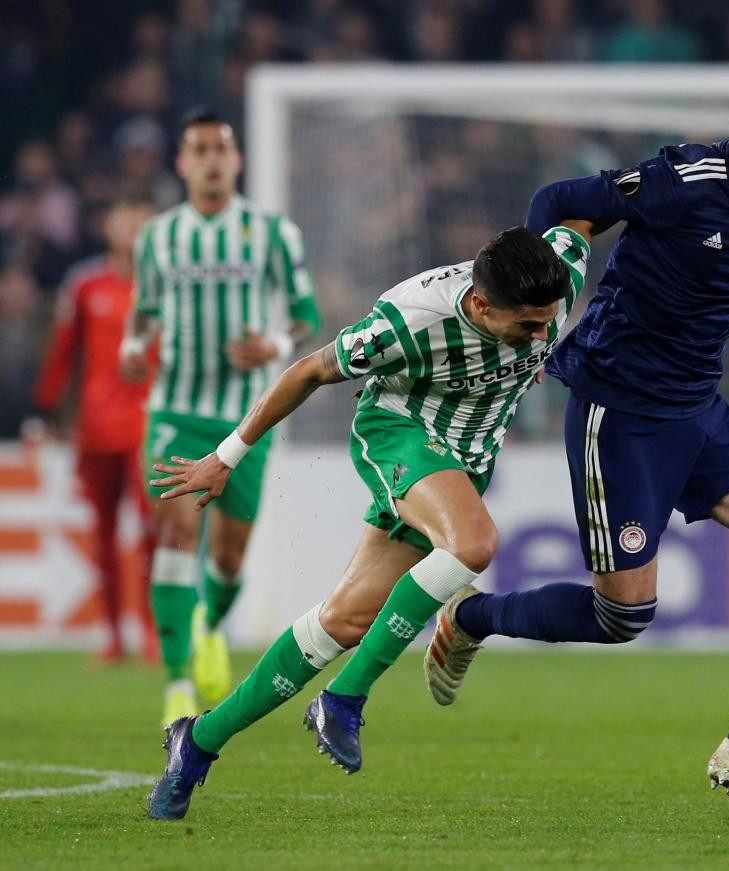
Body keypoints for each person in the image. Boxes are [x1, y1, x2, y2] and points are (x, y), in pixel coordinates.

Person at [422, 73, 729, 820]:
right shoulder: (677, 182)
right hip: (618, 413)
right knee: (624, 618)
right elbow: (556, 201)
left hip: (697, 410)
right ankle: (471, 619)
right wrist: (537, 303)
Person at [144, 224, 590, 820]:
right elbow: (307, 371)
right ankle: (345, 697)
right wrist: (226, 457)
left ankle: (197, 741)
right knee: (475, 542)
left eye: (549, 321)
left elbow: (581, 212)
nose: (541, 336)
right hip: (399, 435)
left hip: (465, 462)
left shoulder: (558, 271)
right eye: (529, 326)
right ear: (481, 305)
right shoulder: (407, 323)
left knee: (345, 621)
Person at [119, 110, 322, 727]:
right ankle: (178, 684)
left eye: (221, 149)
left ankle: (208, 620)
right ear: (182, 163)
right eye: (199, 149)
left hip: (247, 418)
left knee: (229, 560)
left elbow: (304, 314)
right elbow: (144, 314)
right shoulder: (159, 236)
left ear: (236, 161)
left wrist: (278, 348)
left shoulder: (272, 232)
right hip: (177, 408)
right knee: (177, 538)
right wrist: (132, 347)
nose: (211, 159)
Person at [30, 198, 158, 663]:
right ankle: (111, 635)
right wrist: (45, 409)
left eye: (141, 219)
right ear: (107, 225)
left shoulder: (166, 289)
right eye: (125, 217)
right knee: (103, 530)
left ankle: (149, 632)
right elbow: (64, 352)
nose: (132, 227)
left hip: (149, 427)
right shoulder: (86, 285)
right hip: (97, 426)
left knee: (150, 529)